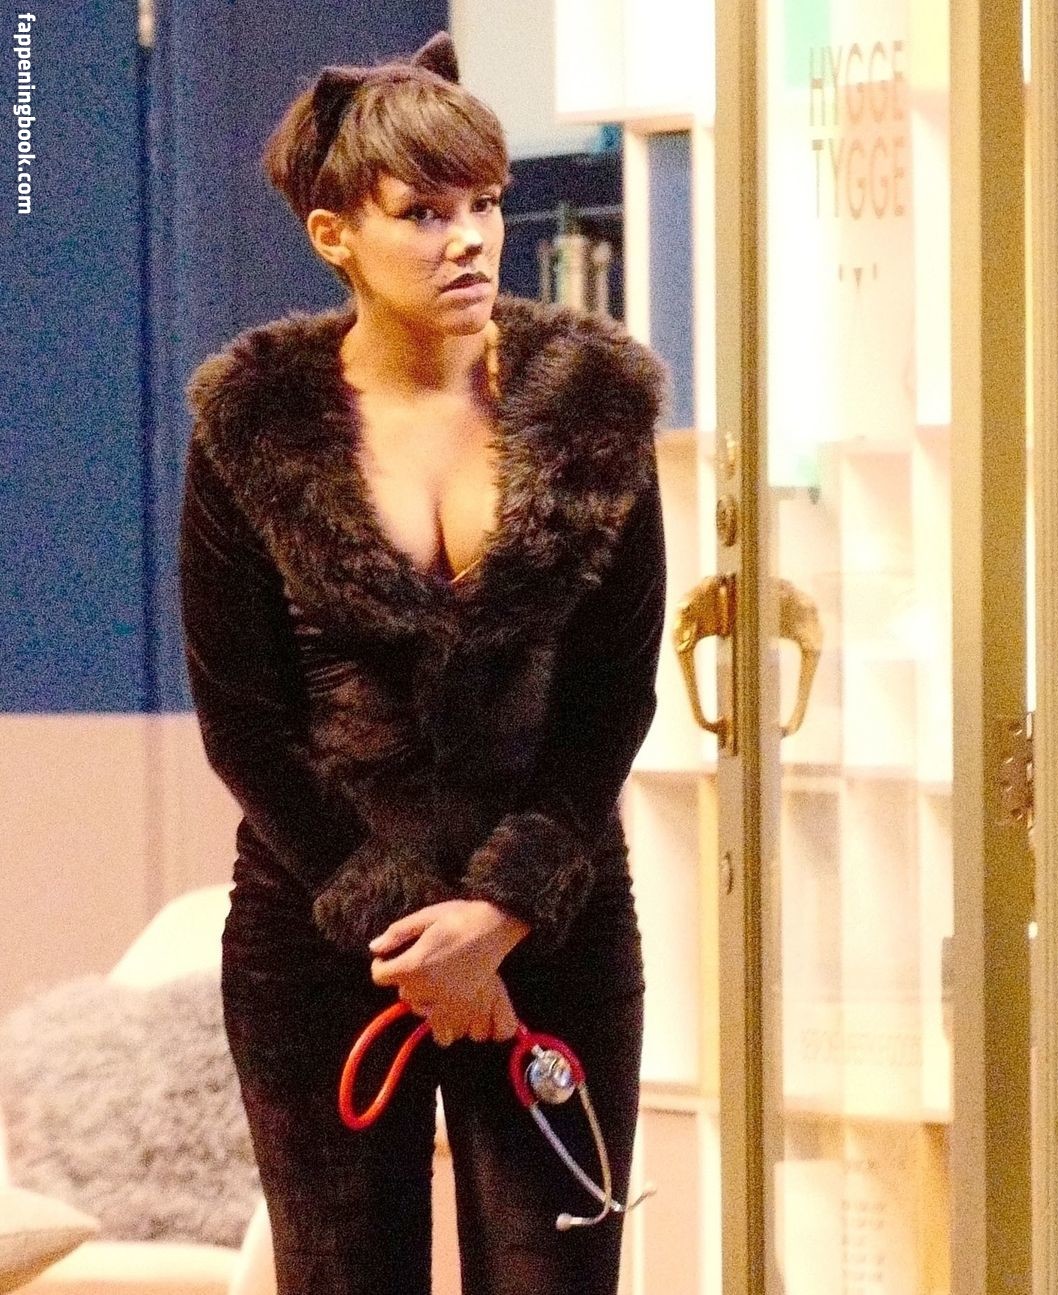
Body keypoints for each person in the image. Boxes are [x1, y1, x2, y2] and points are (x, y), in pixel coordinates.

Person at [178, 32, 666, 1294]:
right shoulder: (251, 424)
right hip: (323, 932)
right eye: (425, 213)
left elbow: (613, 696)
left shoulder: (591, 404)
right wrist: (413, 937)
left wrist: (499, 917)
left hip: (551, 926)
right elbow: (245, 724)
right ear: (335, 235)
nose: (471, 239)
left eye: (487, 203)